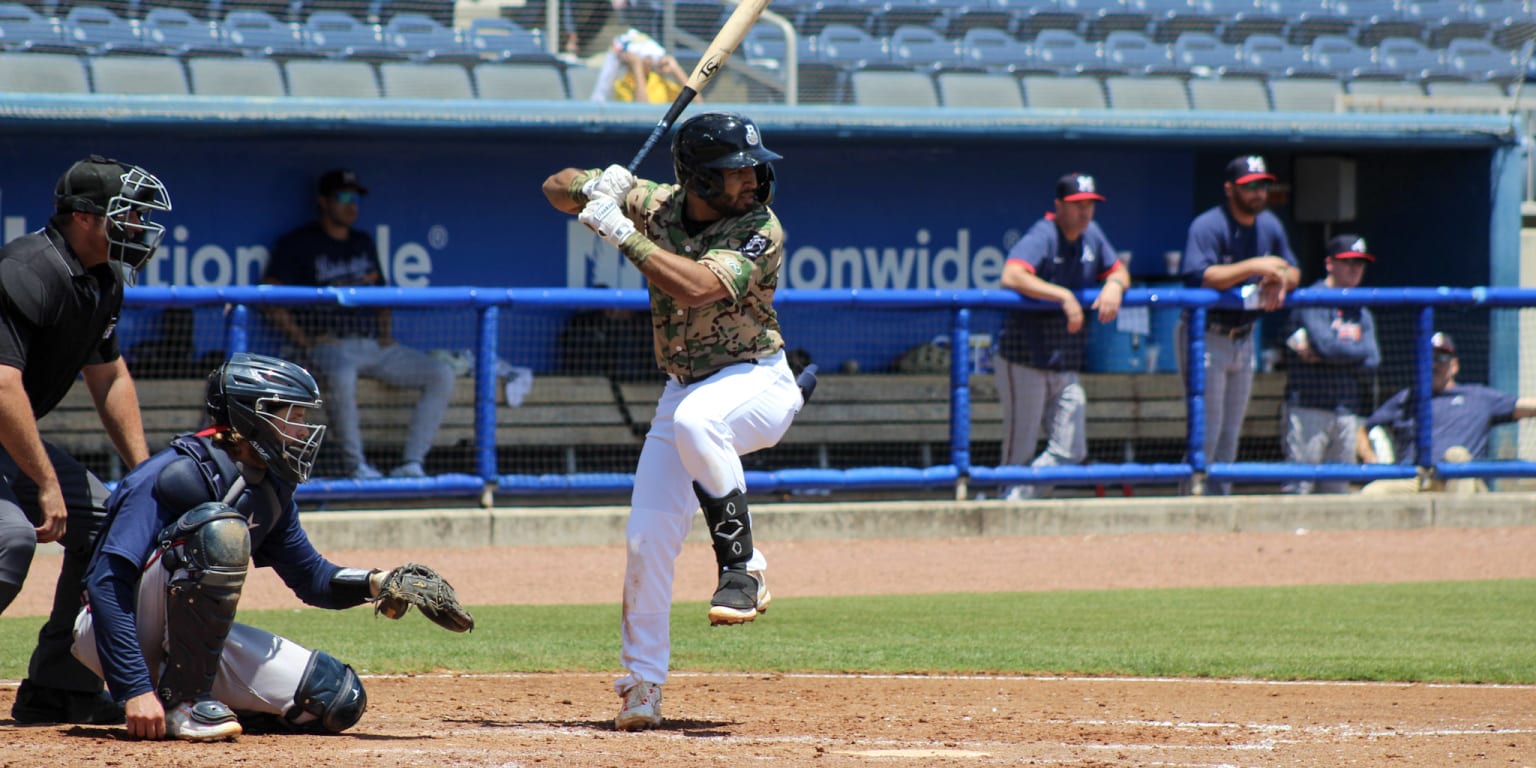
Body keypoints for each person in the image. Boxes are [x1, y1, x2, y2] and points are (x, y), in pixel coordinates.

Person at [541, 111, 808, 731]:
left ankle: (744, 567)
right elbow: (553, 186)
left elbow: (693, 287)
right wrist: (596, 186)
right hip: (683, 389)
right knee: (647, 538)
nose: (751, 179)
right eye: (735, 171)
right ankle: (642, 685)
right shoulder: (658, 203)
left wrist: (621, 235)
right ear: (699, 179)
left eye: (751, 168)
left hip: (757, 381)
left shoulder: (759, 226)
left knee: (697, 423)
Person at [70, 353, 460, 741]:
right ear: (251, 415)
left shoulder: (269, 486)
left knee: (335, 697)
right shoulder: (173, 473)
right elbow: (105, 583)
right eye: (295, 417)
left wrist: (380, 581)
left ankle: (195, 696)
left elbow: (313, 579)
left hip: (183, 642)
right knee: (218, 530)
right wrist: (134, 688)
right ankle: (181, 705)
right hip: (113, 630)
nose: (305, 431)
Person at [1, 155, 172, 725]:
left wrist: (147, 477)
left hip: (6, 444)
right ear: (81, 217)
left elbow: (111, 376)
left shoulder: (103, 279)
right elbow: (1, 386)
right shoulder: (26, 268)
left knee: (112, 522)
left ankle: (59, 686)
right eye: (125, 215)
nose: (138, 229)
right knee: (11, 540)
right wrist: (46, 483)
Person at [261, 168, 455, 480]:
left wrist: (386, 335)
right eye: (344, 197)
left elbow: (382, 294)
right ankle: (357, 466)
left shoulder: (363, 242)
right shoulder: (300, 243)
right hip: (329, 345)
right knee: (342, 372)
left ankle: (412, 463)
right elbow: (268, 294)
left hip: (373, 345)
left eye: (356, 198)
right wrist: (304, 340)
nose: (352, 205)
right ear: (324, 202)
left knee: (441, 373)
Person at [993, 173, 1129, 500]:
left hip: (1064, 362)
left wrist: (1114, 284)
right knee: (1019, 451)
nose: (1084, 212)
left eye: (1090, 205)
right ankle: (1005, 512)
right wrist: (1063, 295)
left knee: (1070, 449)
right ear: (1058, 206)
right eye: (1077, 205)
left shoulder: (1092, 235)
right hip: (1023, 358)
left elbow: (1119, 270)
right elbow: (1010, 275)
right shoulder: (1045, 234)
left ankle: (1014, 503)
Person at [1179, 154, 1300, 495]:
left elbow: (1293, 269)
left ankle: (1219, 502)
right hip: (1206, 335)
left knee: (1232, 430)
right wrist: (1256, 266)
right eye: (1250, 187)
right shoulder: (1209, 225)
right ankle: (1190, 501)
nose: (1258, 193)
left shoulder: (1270, 226)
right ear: (1230, 189)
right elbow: (1199, 275)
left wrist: (1281, 280)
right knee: (1208, 429)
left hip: (1245, 337)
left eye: (1262, 186)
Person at [1357, 332, 1536, 495]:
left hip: (1463, 481)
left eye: (1442, 358)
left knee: (1456, 455)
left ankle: (1459, 528)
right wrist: (1370, 457)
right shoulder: (1406, 398)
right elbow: (1363, 431)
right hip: (1416, 480)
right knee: (1371, 494)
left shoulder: (1478, 396)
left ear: (1454, 365)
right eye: (1429, 358)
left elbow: (1527, 406)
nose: (1435, 364)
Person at [1280, 234, 1381, 494]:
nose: (1355, 268)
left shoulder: (1361, 310)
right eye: (1348, 262)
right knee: (1298, 490)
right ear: (1330, 264)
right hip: (1308, 407)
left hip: (1346, 411)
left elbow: (1373, 360)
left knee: (1337, 495)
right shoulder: (1312, 298)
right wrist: (1342, 355)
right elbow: (1326, 345)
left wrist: (1326, 358)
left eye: (1360, 263)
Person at [589, 28, 690, 103]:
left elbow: (697, 104)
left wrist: (676, 71)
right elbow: (642, 111)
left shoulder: (658, 80)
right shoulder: (622, 85)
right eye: (646, 57)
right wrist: (637, 67)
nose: (650, 60)